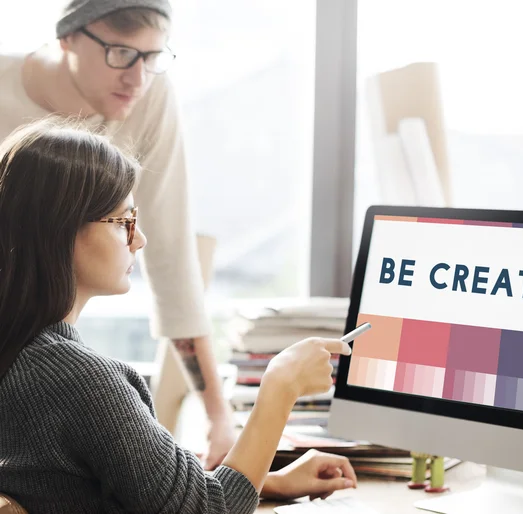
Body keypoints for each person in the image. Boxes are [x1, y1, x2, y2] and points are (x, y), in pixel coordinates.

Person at [0, 118, 357, 513]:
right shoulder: (78, 380)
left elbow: (96, 489)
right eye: (124, 222)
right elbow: (208, 510)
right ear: (60, 231)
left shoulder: (22, 356)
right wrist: (281, 387)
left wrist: (266, 482)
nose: (140, 239)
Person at [0, 0, 236, 468]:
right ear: (67, 37)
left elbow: (170, 257)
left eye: (153, 57)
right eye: (121, 53)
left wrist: (218, 416)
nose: (138, 78)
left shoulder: (150, 94)